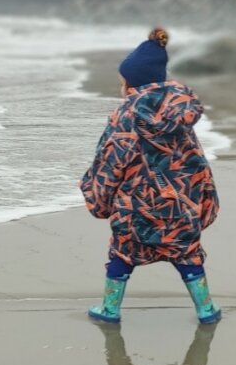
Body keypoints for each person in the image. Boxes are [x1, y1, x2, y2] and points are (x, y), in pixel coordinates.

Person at [80, 27, 221, 324]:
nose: (121, 89)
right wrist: (206, 197)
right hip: (181, 204)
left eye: (123, 83)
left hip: (136, 207)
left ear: (133, 84)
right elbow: (196, 160)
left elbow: (111, 161)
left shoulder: (126, 117)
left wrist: (98, 199)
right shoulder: (180, 114)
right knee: (187, 253)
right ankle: (206, 309)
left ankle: (110, 308)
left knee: (122, 254)